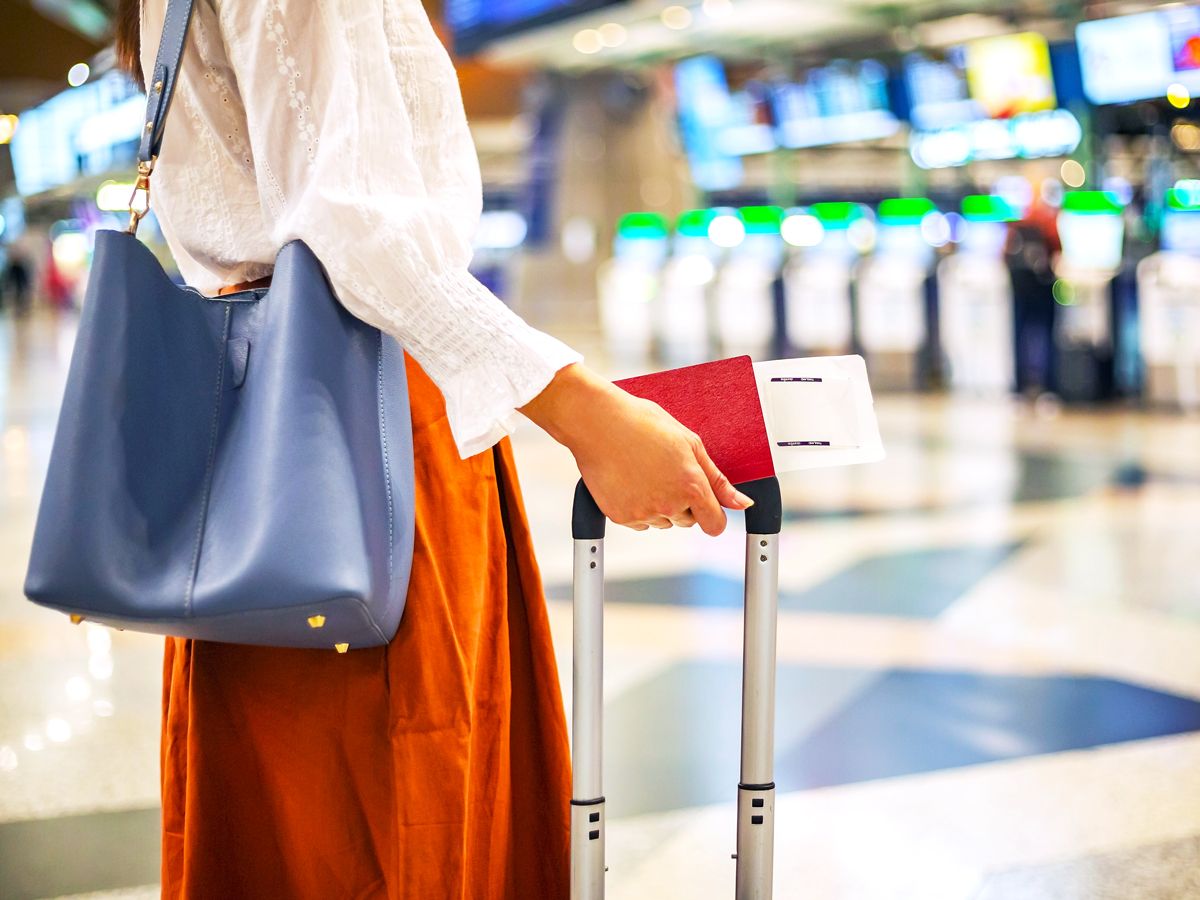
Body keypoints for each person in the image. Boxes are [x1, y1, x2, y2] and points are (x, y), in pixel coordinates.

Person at [114, 1, 751, 897]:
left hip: (279, 442)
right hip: (358, 437)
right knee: (390, 802)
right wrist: (586, 413)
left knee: (296, 814)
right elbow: (356, 236)